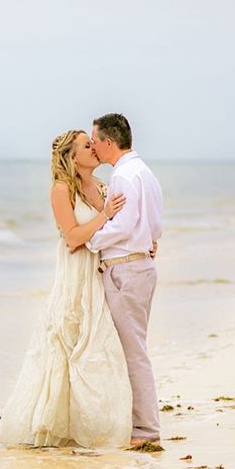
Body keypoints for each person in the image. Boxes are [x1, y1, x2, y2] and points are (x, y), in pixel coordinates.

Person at [0, 130, 133, 449]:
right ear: (73, 157)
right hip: (74, 274)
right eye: (87, 145)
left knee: (97, 345)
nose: (95, 148)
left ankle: (93, 423)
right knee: (65, 341)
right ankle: (53, 424)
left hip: (98, 272)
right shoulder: (61, 189)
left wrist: (143, 242)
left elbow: (112, 229)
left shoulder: (102, 186)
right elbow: (72, 237)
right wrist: (104, 216)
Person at [87, 113, 163, 448]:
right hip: (141, 268)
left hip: (125, 271)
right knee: (135, 349)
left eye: (95, 140)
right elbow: (154, 226)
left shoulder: (122, 177)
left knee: (132, 353)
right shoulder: (145, 172)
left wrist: (91, 239)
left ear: (108, 142)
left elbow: (122, 226)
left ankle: (145, 430)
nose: (93, 147)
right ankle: (135, 423)